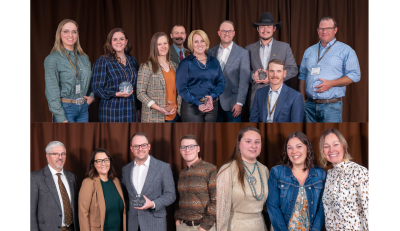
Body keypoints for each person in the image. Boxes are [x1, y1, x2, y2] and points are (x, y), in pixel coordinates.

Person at [299, 17, 361, 122]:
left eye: (328, 28)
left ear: (335, 30)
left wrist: (331, 83)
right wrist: (302, 100)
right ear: (317, 30)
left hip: (331, 106)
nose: (324, 31)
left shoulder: (346, 50)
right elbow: (302, 75)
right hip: (309, 107)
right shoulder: (309, 51)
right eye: (321, 28)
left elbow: (355, 75)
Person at [267, 131, 326, 231]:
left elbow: (322, 208)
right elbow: (273, 207)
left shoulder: (321, 174)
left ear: (307, 148)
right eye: (290, 147)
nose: (294, 151)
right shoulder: (277, 172)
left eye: (299, 146)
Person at [120, 132, 176, 231]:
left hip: (155, 224)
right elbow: (122, 193)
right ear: (131, 148)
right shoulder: (126, 169)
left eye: (143, 145)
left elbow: (171, 195)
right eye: (136, 146)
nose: (140, 149)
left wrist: (153, 204)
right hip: (133, 224)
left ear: (149, 146)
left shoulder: (163, 167)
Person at [217, 127, 269, 231]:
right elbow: (221, 211)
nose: (253, 146)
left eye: (257, 142)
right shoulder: (227, 170)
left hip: (260, 226)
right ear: (239, 144)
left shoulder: (264, 170)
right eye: (248, 141)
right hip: (235, 227)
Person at [44, 19, 94, 123]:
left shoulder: (84, 58)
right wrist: (61, 117)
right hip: (65, 109)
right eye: (66, 31)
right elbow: (51, 91)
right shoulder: (52, 59)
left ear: (77, 34)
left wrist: (92, 97)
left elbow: (93, 81)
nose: (70, 35)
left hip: (84, 109)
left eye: (74, 32)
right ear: (59, 34)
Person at [245, 12, 298, 109]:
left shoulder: (284, 47)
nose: (265, 29)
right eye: (262, 26)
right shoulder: (248, 49)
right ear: (257, 29)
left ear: (274, 28)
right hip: (256, 96)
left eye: (268, 26)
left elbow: (293, 69)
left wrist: (273, 76)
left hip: (278, 95)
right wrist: (253, 75)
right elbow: (244, 72)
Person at [320, 129, 368, 230]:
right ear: (323, 151)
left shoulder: (359, 171)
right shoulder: (329, 175)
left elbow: (369, 210)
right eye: (326, 146)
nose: (331, 149)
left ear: (343, 146)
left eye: (335, 144)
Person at [176, 30, 226, 122]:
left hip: (212, 106)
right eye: (196, 41)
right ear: (192, 44)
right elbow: (181, 89)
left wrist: (213, 96)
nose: (199, 44)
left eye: (202, 41)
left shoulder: (214, 62)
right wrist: (197, 103)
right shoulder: (185, 63)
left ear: (206, 42)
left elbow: (221, 82)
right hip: (192, 107)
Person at [92, 28, 140, 122]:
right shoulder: (103, 61)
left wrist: (138, 109)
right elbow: (97, 88)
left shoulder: (132, 60)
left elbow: (138, 87)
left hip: (131, 109)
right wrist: (116, 93)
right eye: (115, 39)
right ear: (110, 42)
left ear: (126, 41)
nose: (119, 42)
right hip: (111, 110)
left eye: (122, 39)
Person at [207, 20, 251, 122]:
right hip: (213, 103)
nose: (227, 34)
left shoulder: (243, 53)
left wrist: (239, 103)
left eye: (230, 31)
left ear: (234, 33)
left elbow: (244, 80)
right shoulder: (211, 51)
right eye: (224, 31)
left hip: (233, 103)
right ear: (219, 33)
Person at [31, 141, 79, 231]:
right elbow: (30, 212)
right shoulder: (35, 178)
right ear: (47, 156)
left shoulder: (72, 177)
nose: (60, 157)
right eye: (55, 154)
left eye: (63, 154)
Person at [137, 32, 182, 122]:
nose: (163, 46)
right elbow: (140, 93)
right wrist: (158, 108)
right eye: (159, 44)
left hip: (175, 116)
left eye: (165, 43)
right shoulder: (146, 67)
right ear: (154, 47)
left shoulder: (175, 66)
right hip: (154, 117)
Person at [175, 135, 216, 231]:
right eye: (183, 147)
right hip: (182, 226)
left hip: (202, 227)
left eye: (191, 146)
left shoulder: (211, 169)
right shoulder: (181, 173)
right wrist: (177, 220)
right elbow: (178, 199)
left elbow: (217, 201)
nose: (187, 150)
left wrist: (204, 227)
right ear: (180, 151)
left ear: (198, 148)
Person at [78, 148, 126, 231]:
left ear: (110, 162)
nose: (103, 164)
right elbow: (83, 213)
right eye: (99, 161)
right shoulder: (88, 182)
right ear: (94, 164)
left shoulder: (116, 181)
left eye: (106, 160)